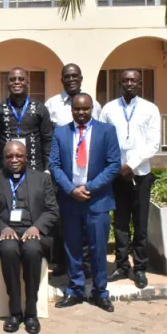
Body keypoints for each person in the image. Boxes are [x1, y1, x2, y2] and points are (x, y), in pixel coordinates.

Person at [49, 93, 121, 313]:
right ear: (71, 109)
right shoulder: (61, 133)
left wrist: (88, 188)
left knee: (98, 249)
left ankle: (100, 292)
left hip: (96, 199)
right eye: (77, 109)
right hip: (70, 200)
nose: (81, 113)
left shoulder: (106, 131)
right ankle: (75, 290)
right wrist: (71, 190)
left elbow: (113, 165)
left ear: (92, 109)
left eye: (85, 109)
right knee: (72, 248)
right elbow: (54, 165)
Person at [0, 141, 59, 334]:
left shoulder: (42, 179)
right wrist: (2, 227)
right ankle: (15, 311)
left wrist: (36, 227)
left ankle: (31, 312)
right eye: (9, 156)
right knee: (9, 249)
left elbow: (52, 210)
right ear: (4, 158)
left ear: (26, 157)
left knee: (32, 250)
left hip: (33, 231)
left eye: (18, 156)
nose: (14, 160)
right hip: (5, 232)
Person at [100, 69, 161, 289]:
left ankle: (140, 268)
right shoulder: (109, 109)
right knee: (120, 223)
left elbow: (154, 143)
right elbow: (103, 138)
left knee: (140, 224)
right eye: (125, 80)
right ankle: (121, 265)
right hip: (117, 175)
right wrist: (117, 166)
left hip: (140, 174)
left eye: (133, 80)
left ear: (140, 83)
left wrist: (131, 165)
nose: (129, 83)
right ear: (120, 83)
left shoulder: (149, 109)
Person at [44, 64, 101, 277]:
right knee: (61, 219)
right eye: (67, 76)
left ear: (81, 78)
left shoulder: (94, 104)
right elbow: (47, 137)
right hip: (62, 171)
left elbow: (100, 136)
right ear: (61, 79)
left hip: (87, 171)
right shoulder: (52, 104)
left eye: (74, 75)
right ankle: (61, 262)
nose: (71, 79)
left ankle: (85, 264)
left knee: (86, 221)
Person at [0, 67, 53, 175]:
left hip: (35, 168)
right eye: (12, 79)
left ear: (27, 83)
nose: (17, 82)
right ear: (7, 84)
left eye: (21, 79)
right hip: (6, 169)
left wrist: (47, 168)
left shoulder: (40, 108)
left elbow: (48, 140)